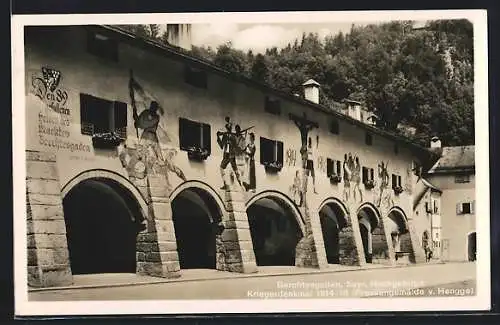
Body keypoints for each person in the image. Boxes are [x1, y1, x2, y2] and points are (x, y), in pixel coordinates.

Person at [132, 100, 186, 182]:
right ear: (151, 106)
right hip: (146, 134)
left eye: (155, 108)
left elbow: (144, 124)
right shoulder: (146, 112)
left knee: (158, 155)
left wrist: (138, 123)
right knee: (140, 153)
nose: (153, 109)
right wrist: (136, 119)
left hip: (151, 135)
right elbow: (140, 122)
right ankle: (139, 171)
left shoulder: (156, 117)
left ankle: (159, 164)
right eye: (152, 107)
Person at [217, 120, 242, 189]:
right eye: (227, 128)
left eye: (229, 128)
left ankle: (241, 184)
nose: (228, 129)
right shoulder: (225, 136)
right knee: (221, 168)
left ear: (230, 129)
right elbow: (222, 146)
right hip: (226, 155)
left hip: (231, 155)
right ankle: (225, 184)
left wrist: (231, 143)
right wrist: (218, 138)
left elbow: (236, 146)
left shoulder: (233, 137)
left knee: (235, 170)